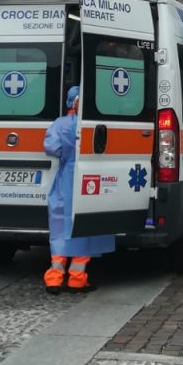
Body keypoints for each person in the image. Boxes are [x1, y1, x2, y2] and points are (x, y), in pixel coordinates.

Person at [43, 86, 114, 293]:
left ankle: (54, 279)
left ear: (69, 102)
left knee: (59, 226)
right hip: (89, 178)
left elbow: (51, 147)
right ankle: (77, 279)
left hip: (66, 176)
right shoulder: (93, 124)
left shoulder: (60, 124)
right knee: (84, 226)